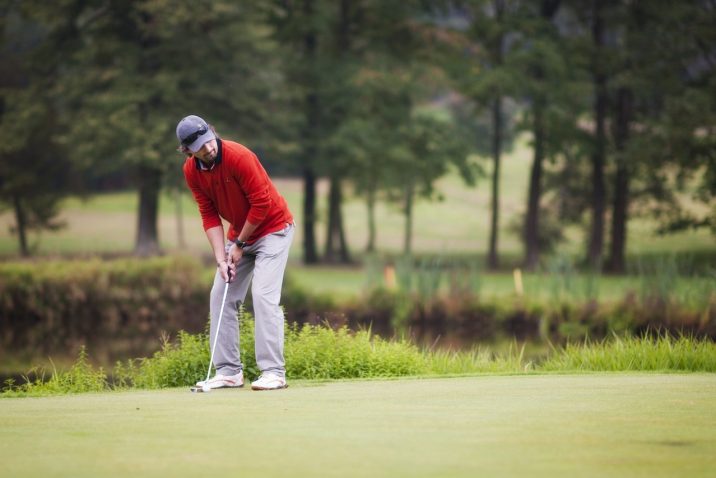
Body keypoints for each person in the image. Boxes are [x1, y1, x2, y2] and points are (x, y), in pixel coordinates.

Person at [176, 114, 295, 391]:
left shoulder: (239, 156)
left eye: (209, 141)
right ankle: (229, 371)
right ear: (187, 151)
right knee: (220, 294)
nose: (208, 148)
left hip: (274, 229)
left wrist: (239, 246)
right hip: (240, 236)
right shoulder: (191, 171)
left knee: (264, 296)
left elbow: (262, 204)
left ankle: (274, 372)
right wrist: (221, 258)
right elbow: (208, 215)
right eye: (200, 147)